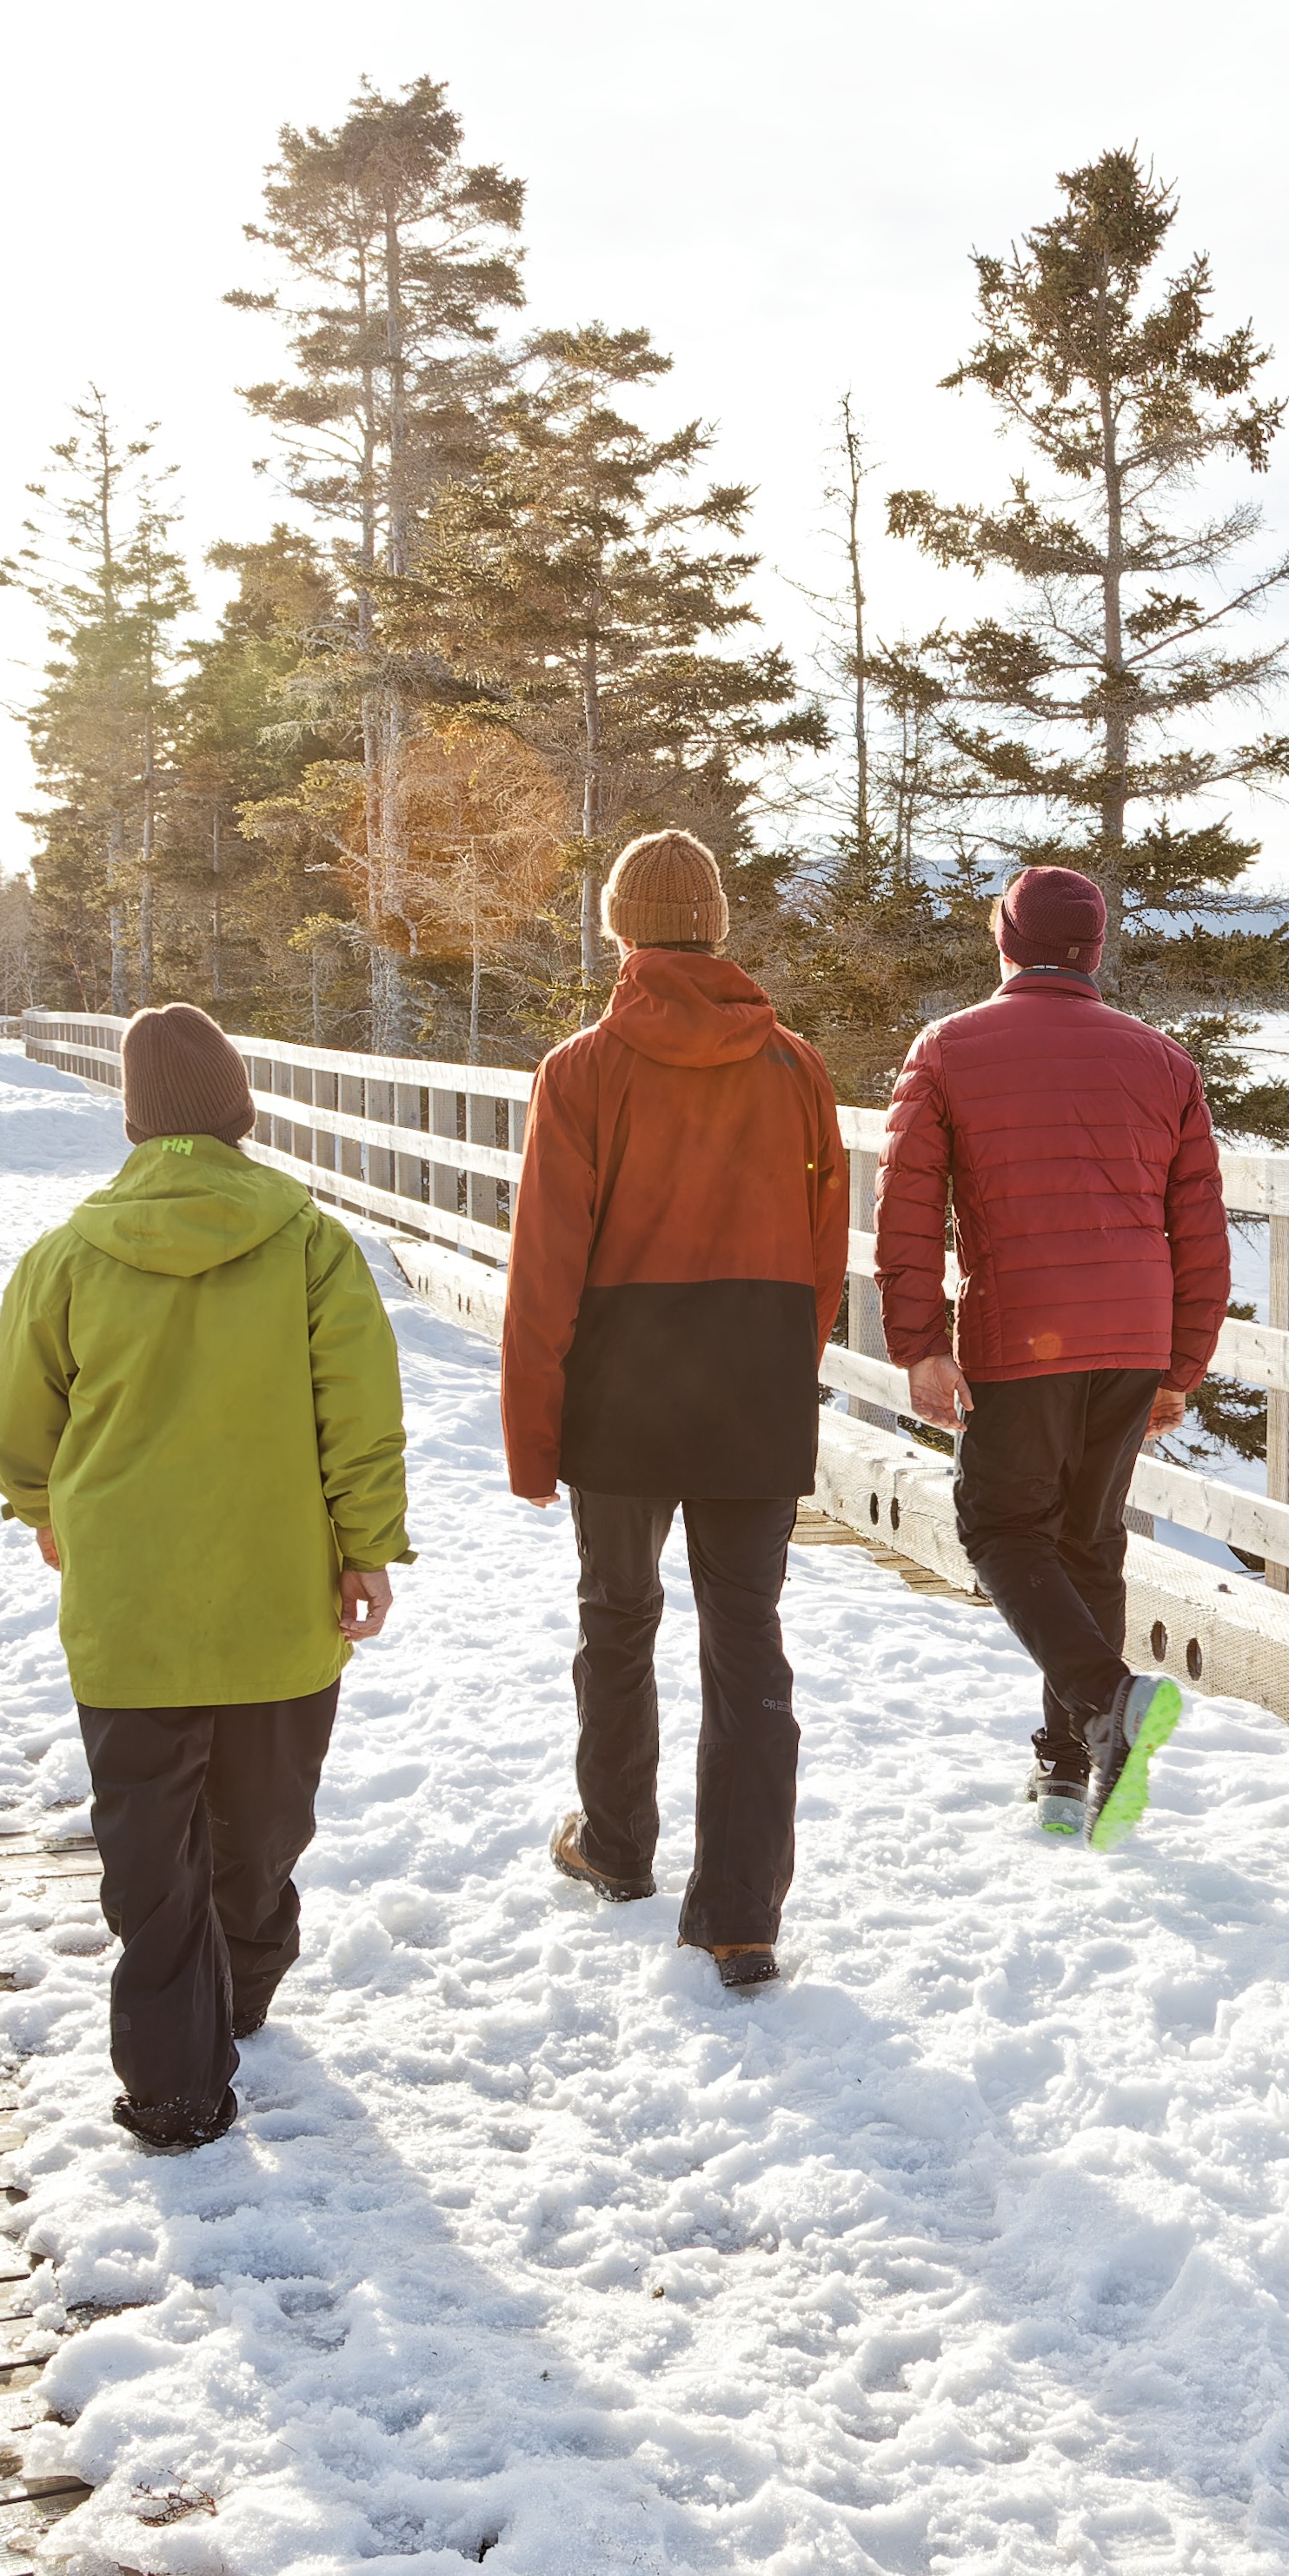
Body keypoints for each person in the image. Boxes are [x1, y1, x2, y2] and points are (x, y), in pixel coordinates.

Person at [0, 1001, 411, 2151]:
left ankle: (174, 2082)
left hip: (128, 1617)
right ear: (238, 1109)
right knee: (262, 1824)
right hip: (280, 1608)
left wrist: (45, 1510)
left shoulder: (67, 1255)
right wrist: (366, 1544)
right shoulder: (310, 1241)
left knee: (148, 1846)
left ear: (133, 1119)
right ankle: (250, 1975)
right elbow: (359, 1413)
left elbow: (19, 1426)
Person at [501, 829, 850, 1992]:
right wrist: (775, 1370)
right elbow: (820, 1259)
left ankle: (616, 1843)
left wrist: (532, 1431)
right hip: (752, 1383)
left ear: (623, 931)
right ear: (714, 924)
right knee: (746, 1635)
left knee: (617, 1613)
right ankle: (741, 1914)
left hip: (623, 1390)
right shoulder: (796, 1070)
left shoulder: (583, 1072)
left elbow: (545, 1267)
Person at [874, 863, 1229, 1841]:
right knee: (1086, 1541)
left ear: (1005, 941)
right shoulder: (1163, 1062)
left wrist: (919, 1343)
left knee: (999, 1528)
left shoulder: (949, 1047)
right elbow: (1199, 1230)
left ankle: (1104, 1703)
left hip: (1022, 1331)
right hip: (1129, 1338)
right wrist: (1178, 1366)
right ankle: (1069, 1767)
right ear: (1094, 950)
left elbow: (907, 1210)